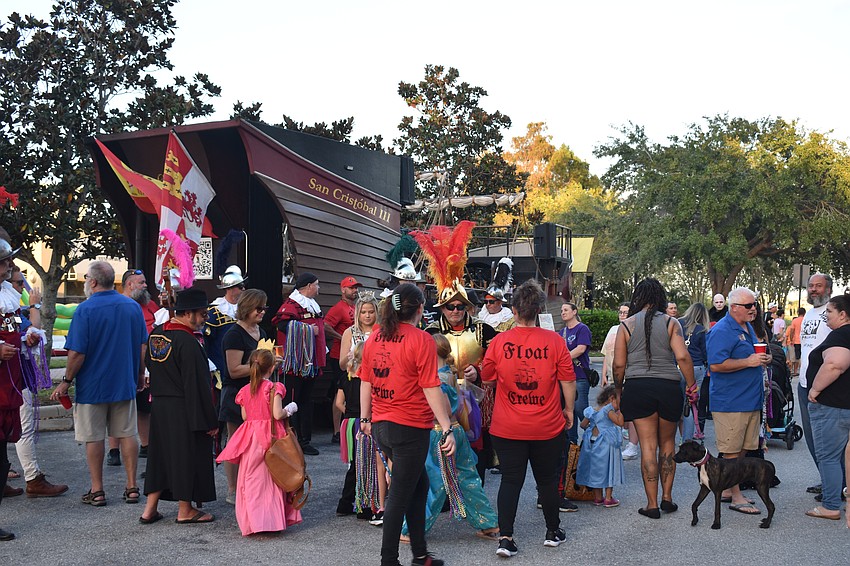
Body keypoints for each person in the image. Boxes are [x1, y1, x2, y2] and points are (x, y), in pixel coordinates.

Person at [358, 283, 456, 566]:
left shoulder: (376, 337)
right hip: (409, 427)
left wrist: (366, 417)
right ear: (420, 309)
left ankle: (421, 555)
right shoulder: (421, 339)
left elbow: (366, 379)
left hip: (382, 424)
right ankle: (389, 560)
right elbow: (431, 387)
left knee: (419, 484)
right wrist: (447, 426)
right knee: (400, 495)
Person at [481, 279, 576, 559]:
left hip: (507, 426)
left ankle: (506, 538)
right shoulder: (555, 342)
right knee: (546, 480)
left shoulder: (499, 342)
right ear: (539, 310)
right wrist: (569, 409)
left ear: (513, 310)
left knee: (511, 480)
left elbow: (487, 379)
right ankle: (552, 532)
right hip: (547, 425)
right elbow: (568, 381)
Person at [50, 260, 147, 507]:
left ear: (92, 282)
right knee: (128, 434)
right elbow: (141, 346)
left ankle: (98, 489)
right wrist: (139, 375)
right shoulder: (132, 307)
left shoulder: (85, 310)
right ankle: (132, 486)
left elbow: (76, 354)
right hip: (123, 382)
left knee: (94, 438)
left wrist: (66, 381)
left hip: (93, 386)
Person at [400, 333, 498, 542]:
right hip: (456, 431)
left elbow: (441, 409)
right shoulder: (448, 372)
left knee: (435, 481)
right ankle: (488, 523)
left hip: (439, 433)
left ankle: (413, 529)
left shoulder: (437, 378)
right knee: (467, 477)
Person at [613, 278, 695, 520]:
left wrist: (618, 391)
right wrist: (692, 387)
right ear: (660, 297)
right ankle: (667, 499)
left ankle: (651, 505)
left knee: (648, 447)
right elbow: (683, 357)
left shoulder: (626, 326)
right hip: (668, 386)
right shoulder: (672, 323)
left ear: (638, 297)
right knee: (667, 444)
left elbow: (619, 364)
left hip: (638, 387)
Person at [140, 288, 220, 525]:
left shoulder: (156, 333)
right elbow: (197, 384)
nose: (205, 319)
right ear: (189, 314)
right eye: (203, 314)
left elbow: (149, 364)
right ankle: (185, 510)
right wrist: (209, 420)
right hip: (185, 407)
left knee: (160, 456)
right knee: (187, 456)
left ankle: (149, 509)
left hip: (161, 406)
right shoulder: (188, 342)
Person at [216, 348, 303, 535]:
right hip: (271, 437)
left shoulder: (244, 390)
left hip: (251, 437)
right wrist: (291, 408)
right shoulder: (274, 388)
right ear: (272, 368)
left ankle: (253, 522)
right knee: (273, 478)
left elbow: (245, 416)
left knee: (251, 479)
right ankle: (271, 521)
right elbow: (277, 414)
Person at [4, 258, 68, 499]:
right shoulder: (10, 307)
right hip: (12, 377)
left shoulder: (11, 309)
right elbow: (32, 327)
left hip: (16, 374)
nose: (22, 288)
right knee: (24, 427)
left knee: (17, 426)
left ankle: (12, 476)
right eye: (18, 283)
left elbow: (33, 331)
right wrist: (35, 305)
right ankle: (32, 477)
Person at [705, 286, 772, 516]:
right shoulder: (723, 330)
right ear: (733, 308)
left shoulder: (746, 327)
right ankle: (736, 495)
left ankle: (726, 489)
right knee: (732, 452)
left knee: (743, 449)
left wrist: (763, 358)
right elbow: (715, 365)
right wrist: (749, 362)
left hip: (749, 399)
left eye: (754, 304)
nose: (754, 309)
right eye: (749, 305)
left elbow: (749, 355)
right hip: (731, 401)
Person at [335, 293, 386, 523]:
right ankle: (352, 501)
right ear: (358, 313)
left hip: (376, 384)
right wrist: (352, 356)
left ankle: (376, 499)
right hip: (354, 383)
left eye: (371, 311)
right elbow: (341, 364)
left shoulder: (381, 332)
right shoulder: (349, 332)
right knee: (359, 453)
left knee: (377, 451)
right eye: (363, 312)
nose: (367, 315)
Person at [218, 288, 268, 504]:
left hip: (256, 393)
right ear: (247, 307)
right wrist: (262, 366)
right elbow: (233, 370)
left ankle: (251, 485)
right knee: (235, 442)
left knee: (257, 442)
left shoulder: (261, 332)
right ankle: (232, 489)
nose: (262, 312)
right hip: (236, 395)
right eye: (259, 308)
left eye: (264, 307)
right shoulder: (234, 334)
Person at [106, 268, 159, 467]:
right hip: (121, 363)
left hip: (147, 363)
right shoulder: (117, 305)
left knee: (145, 407)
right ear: (129, 285)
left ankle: (145, 445)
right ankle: (113, 450)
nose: (145, 286)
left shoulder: (150, 305)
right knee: (117, 408)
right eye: (142, 282)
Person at [805, 292, 850, 522]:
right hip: (843, 405)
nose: (826, 317)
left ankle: (831, 506)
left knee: (829, 457)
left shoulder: (842, 335)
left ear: (843, 314)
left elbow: (835, 364)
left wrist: (815, 389)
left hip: (833, 407)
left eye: (829, 312)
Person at [273, 272, 326, 456]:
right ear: (309, 286)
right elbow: (281, 326)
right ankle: (292, 439)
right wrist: (308, 329)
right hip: (297, 364)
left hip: (310, 363)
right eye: (317, 285)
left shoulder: (310, 305)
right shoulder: (291, 305)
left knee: (306, 401)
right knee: (293, 401)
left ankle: (304, 440)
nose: (318, 289)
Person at [0, 239, 26, 540]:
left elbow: (14, 325)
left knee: (2, 457)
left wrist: (28, 334)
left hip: (7, 386)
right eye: (5, 261)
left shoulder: (7, 294)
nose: (10, 266)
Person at [799, 273, 833, 495]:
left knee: (828, 439)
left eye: (818, 286)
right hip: (803, 384)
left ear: (828, 288)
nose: (813, 290)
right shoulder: (809, 313)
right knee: (811, 437)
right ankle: (827, 479)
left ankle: (837, 484)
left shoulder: (835, 312)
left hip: (825, 385)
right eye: (811, 286)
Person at [204, 265, 245, 445]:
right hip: (219, 367)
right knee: (219, 408)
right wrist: (210, 366)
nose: (243, 289)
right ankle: (216, 442)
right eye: (240, 286)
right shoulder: (214, 312)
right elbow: (205, 341)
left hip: (242, 367)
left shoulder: (244, 310)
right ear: (230, 289)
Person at [325, 276, 362, 444]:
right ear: (343, 290)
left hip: (355, 357)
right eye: (351, 288)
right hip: (338, 357)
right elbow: (325, 325)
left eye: (356, 288)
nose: (354, 290)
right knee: (340, 392)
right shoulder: (338, 308)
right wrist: (342, 337)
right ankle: (336, 431)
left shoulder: (355, 307)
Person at [576, 385, 625, 507]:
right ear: (612, 398)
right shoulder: (608, 410)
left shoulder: (592, 410)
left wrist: (593, 427)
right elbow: (620, 422)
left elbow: (582, 425)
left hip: (592, 442)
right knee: (609, 468)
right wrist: (623, 411)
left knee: (596, 469)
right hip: (606, 443)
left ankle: (598, 497)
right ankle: (608, 498)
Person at [603, 303, 640, 460]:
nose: (622, 314)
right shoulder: (613, 330)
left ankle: (632, 446)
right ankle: (613, 441)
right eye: (620, 312)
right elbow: (606, 354)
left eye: (626, 312)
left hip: (628, 376)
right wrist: (604, 374)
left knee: (630, 411)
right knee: (613, 409)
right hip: (613, 376)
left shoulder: (633, 329)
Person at [559, 302, 592, 445]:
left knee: (580, 410)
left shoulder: (582, 329)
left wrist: (563, 360)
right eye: (561, 310)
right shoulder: (562, 332)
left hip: (579, 376)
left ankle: (592, 439)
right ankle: (572, 446)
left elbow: (580, 349)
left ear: (574, 312)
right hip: (565, 377)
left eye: (566, 310)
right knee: (567, 411)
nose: (563, 312)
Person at [678, 302, 710, 441]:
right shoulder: (702, 330)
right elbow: (705, 353)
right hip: (697, 368)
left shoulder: (678, 324)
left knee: (677, 403)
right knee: (690, 405)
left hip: (678, 367)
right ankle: (687, 439)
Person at [786, 307, 805, 376]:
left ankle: (794, 371)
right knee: (802, 356)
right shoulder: (806, 320)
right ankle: (800, 370)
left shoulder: (795, 320)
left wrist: (791, 339)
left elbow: (792, 331)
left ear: (798, 313)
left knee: (796, 357)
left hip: (796, 341)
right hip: (804, 341)